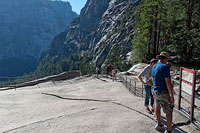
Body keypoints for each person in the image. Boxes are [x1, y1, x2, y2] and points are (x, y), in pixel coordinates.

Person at [152, 52, 174, 133]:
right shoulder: (165, 67)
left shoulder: (154, 66)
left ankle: (159, 125)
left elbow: (153, 79)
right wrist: (172, 96)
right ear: (166, 59)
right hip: (163, 92)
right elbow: (168, 82)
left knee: (157, 108)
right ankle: (169, 131)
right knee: (169, 112)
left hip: (156, 91)